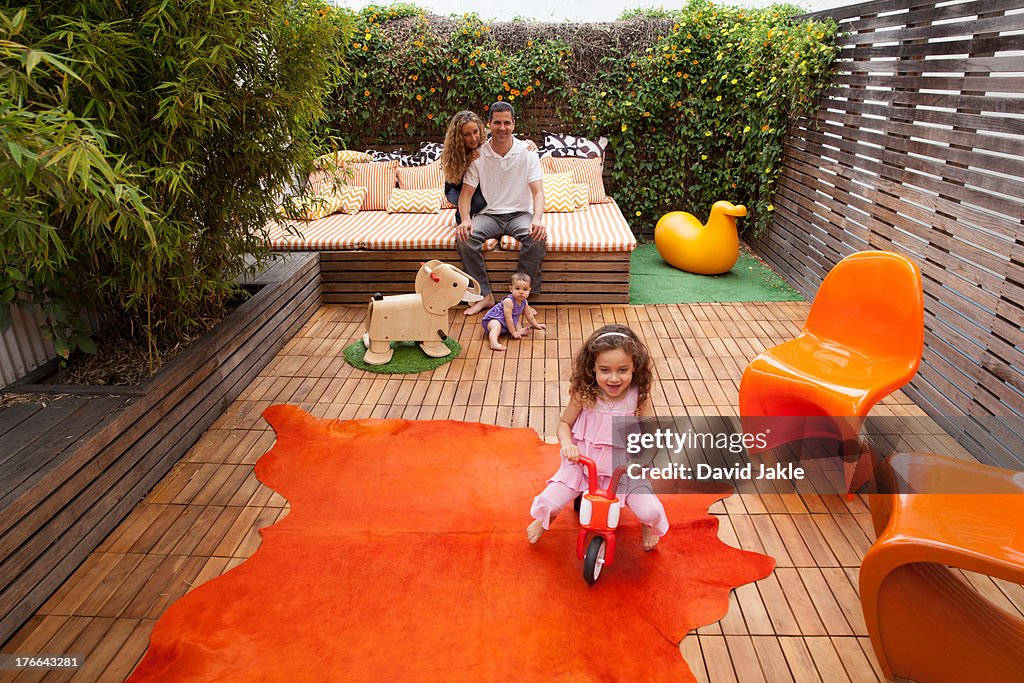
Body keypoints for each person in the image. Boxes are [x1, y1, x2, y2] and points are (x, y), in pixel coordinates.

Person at [527, 324, 669, 551]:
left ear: (635, 367)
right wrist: (568, 444)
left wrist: (642, 461)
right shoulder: (584, 393)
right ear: (592, 368)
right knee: (550, 501)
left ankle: (647, 525)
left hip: (623, 470)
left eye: (623, 370)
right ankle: (548, 518)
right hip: (583, 465)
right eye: (605, 370)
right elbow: (564, 424)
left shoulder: (637, 396)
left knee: (649, 510)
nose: (614, 378)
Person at [456, 102, 546, 316]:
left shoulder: (527, 152)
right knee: (464, 236)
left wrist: (537, 219)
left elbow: (538, 192)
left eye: (507, 122)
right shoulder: (479, 155)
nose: (502, 127)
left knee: (536, 236)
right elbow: (465, 194)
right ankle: (484, 294)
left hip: (520, 215)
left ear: (514, 124)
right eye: (497, 122)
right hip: (490, 215)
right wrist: (466, 219)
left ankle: (520, 300)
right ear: (489, 125)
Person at [440, 110, 488, 225]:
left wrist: (528, 143)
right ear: (459, 136)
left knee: (488, 198)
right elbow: (454, 182)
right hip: (455, 190)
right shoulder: (454, 151)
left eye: (475, 132)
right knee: (478, 201)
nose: (473, 138)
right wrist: (467, 162)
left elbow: (508, 141)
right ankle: (462, 214)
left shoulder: (486, 141)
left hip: (479, 187)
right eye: (467, 134)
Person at [480, 272, 545, 351]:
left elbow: (528, 314)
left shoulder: (524, 302)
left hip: (507, 322)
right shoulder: (509, 301)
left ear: (529, 290)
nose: (521, 292)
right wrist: (513, 333)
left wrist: (536, 324)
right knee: (496, 326)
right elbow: (508, 318)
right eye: (517, 289)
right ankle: (493, 343)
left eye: (525, 289)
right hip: (495, 319)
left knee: (517, 319)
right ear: (511, 289)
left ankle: (520, 331)